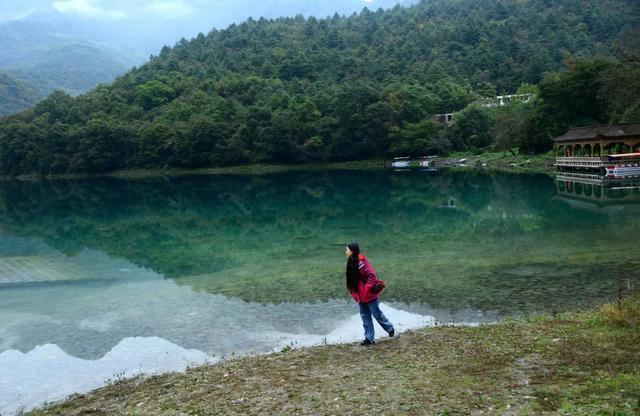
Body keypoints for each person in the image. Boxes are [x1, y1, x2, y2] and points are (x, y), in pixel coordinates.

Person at [345, 243, 395, 345]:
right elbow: (350, 280)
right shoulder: (350, 262)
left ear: (352, 251)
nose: (345, 252)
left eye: (347, 250)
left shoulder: (362, 261)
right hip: (359, 296)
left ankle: (390, 328)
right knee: (365, 316)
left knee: (377, 314)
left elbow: (371, 275)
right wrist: (352, 292)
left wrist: (367, 289)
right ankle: (369, 338)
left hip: (369, 295)